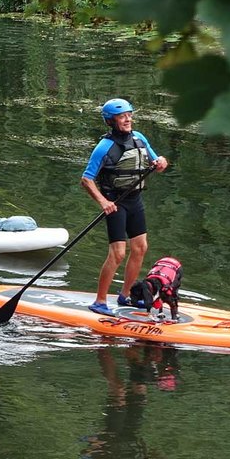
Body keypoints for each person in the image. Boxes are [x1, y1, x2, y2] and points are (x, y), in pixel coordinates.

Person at [80, 98, 169, 316]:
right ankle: (100, 301)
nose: (128, 119)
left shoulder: (139, 138)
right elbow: (86, 179)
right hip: (116, 203)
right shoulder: (104, 147)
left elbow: (156, 163)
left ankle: (125, 295)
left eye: (129, 114)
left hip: (135, 199)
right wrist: (103, 202)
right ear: (111, 121)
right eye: (122, 116)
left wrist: (161, 163)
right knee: (118, 253)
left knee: (140, 248)